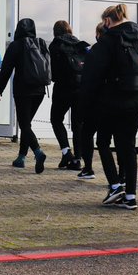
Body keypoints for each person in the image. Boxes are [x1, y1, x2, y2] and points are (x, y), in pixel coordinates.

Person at [80, 5, 138, 209]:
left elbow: (91, 77)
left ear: (107, 21)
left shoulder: (107, 42)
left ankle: (116, 186)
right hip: (136, 100)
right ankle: (131, 197)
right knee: (128, 147)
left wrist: (84, 105)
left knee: (102, 141)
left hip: (111, 101)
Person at [0, 18, 52, 173]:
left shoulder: (16, 45)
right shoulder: (41, 43)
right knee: (26, 124)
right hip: (40, 90)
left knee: (25, 125)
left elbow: (6, 69)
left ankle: (38, 152)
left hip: (23, 90)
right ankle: (21, 157)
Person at [49, 20, 89, 171]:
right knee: (78, 124)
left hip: (63, 88)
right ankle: (77, 159)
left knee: (56, 119)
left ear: (55, 31)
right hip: (81, 88)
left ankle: (66, 152)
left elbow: (53, 71)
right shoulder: (79, 44)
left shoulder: (55, 45)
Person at [74, 21, 106, 182]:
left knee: (87, 134)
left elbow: (88, 79)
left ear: (98, 34)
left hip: (95, 102)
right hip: (113, 101)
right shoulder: (119, 49)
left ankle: (88, 168)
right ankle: (121, 178)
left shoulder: (95, 51)